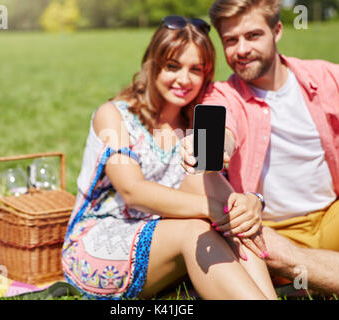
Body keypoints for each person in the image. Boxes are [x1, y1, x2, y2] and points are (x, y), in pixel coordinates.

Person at [62, 15, 278, 300]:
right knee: (197, 227)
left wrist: (245, 205)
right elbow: (133, 191)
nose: (184, 79)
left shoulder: (197, 122)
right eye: (173, 67)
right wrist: (212, 209)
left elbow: (213, 185)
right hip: (101, 239)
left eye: (196, 69)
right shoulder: (114, 115)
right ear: (153, 65)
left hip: (165, 234)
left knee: (232, 218)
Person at [180, 0, 339, 299]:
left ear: (277, 30)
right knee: (252, 240)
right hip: (270, 236)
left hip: (336, 219)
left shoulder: (327, 78)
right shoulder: (221, 95)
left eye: (253, 35)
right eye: (231, 40)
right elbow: (217, 132)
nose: (242, 49)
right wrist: (208, 146)